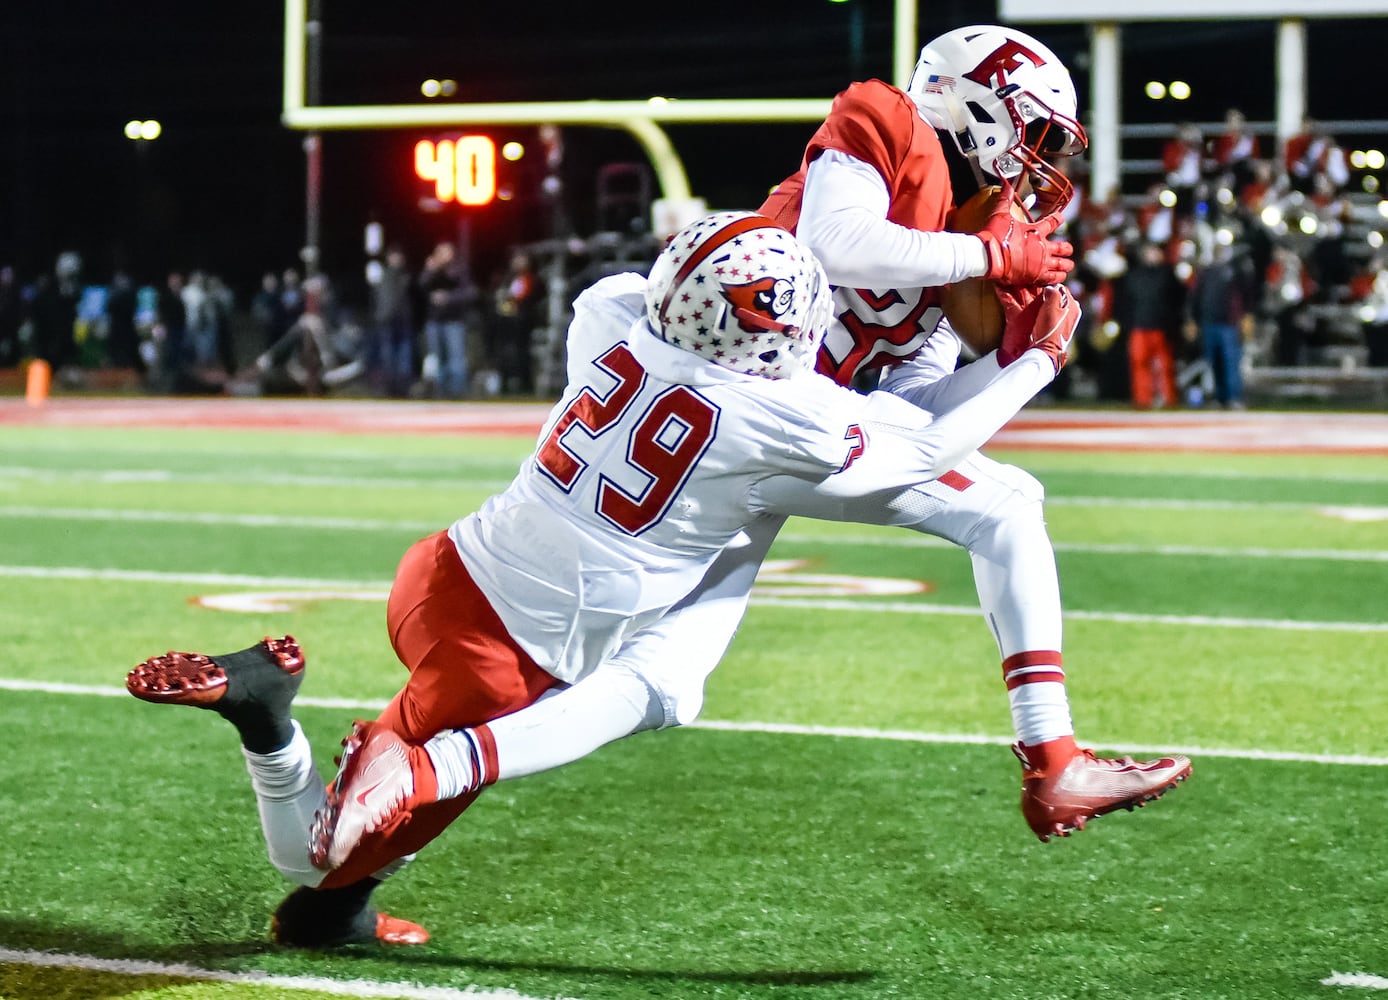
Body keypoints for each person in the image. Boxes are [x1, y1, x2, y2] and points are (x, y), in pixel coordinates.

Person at [303, 24, 1190, 880]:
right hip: (745, 412)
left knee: (670, 680)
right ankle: (1054, 757)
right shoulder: (889, 120)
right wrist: (1009, 317)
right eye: (1034, 135)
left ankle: (387, 810)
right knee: (995, 508)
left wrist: (1010, 350)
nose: (1039, 166)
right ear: (979, 103)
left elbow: (911, 421)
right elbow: (840, 241)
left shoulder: (951, 266)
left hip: (770, 435)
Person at [127, 211, 1080, 948]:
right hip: (506, 652)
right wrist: (1033, 360)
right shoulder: (775, 415)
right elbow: (922, 453)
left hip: (445, 573)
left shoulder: (610, 319)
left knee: (363, 858)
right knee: (318, 852)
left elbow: (651, 283)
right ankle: (272, 719)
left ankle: (349, 888)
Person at [1114, 240, 1185, 409]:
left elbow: (1178, 300)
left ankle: (1168, 398)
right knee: (1139, 364)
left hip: (1161, 326)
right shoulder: (1133, 275)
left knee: (1164, 365)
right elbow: (1125, 302)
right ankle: (1143, 399)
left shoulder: (1167, 274)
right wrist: (1126, 323)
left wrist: (1174, 322)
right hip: (1139, 326)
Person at [1188, 243, 1253, 409]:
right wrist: (1192, 319)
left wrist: (1245, 317)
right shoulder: (1206, 272)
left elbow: (1247, 296)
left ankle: (1234, 398)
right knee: (1214, 363)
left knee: (1231, 363)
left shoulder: (1237, 271)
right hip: (1209, 323)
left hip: (1229, 324)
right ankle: (1220, 397)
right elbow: (1195, 297)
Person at [416, 240, 476, 399]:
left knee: (456, 358)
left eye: (447, 251)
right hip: (434, 320)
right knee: (435, 357)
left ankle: (457, 391)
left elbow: (469, 293)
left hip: (453, 320)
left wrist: (448, 298)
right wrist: (429, 270)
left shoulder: (459, 269)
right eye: (440, 252)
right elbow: (421, 286)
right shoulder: (433, 268)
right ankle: (438, 391)